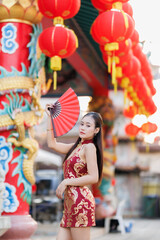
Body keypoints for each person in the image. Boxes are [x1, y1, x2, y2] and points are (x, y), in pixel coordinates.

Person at [46, 107, 103, 240]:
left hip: (81, 203)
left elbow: (93, 177)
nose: (83, 127)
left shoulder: (89, 147)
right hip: (69, 204)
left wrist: (66, 181)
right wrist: (50, 118)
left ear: (96, 130)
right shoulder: (76, 147)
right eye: (82, 124)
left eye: (88, 125)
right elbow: (52, 144)